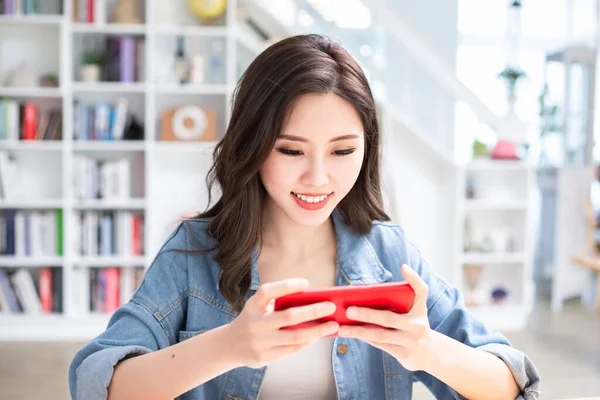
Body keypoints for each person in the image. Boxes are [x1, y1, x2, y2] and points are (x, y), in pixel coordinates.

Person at [69, 34, 540, 400]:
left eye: (342, 151)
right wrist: (230, 346)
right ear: (251, 148)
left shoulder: (389, 254)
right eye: (291, 149)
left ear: (367, 150)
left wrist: (426, 348)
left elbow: (513, 384)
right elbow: (97, 383)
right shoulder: (195, 252)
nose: (318, 178)